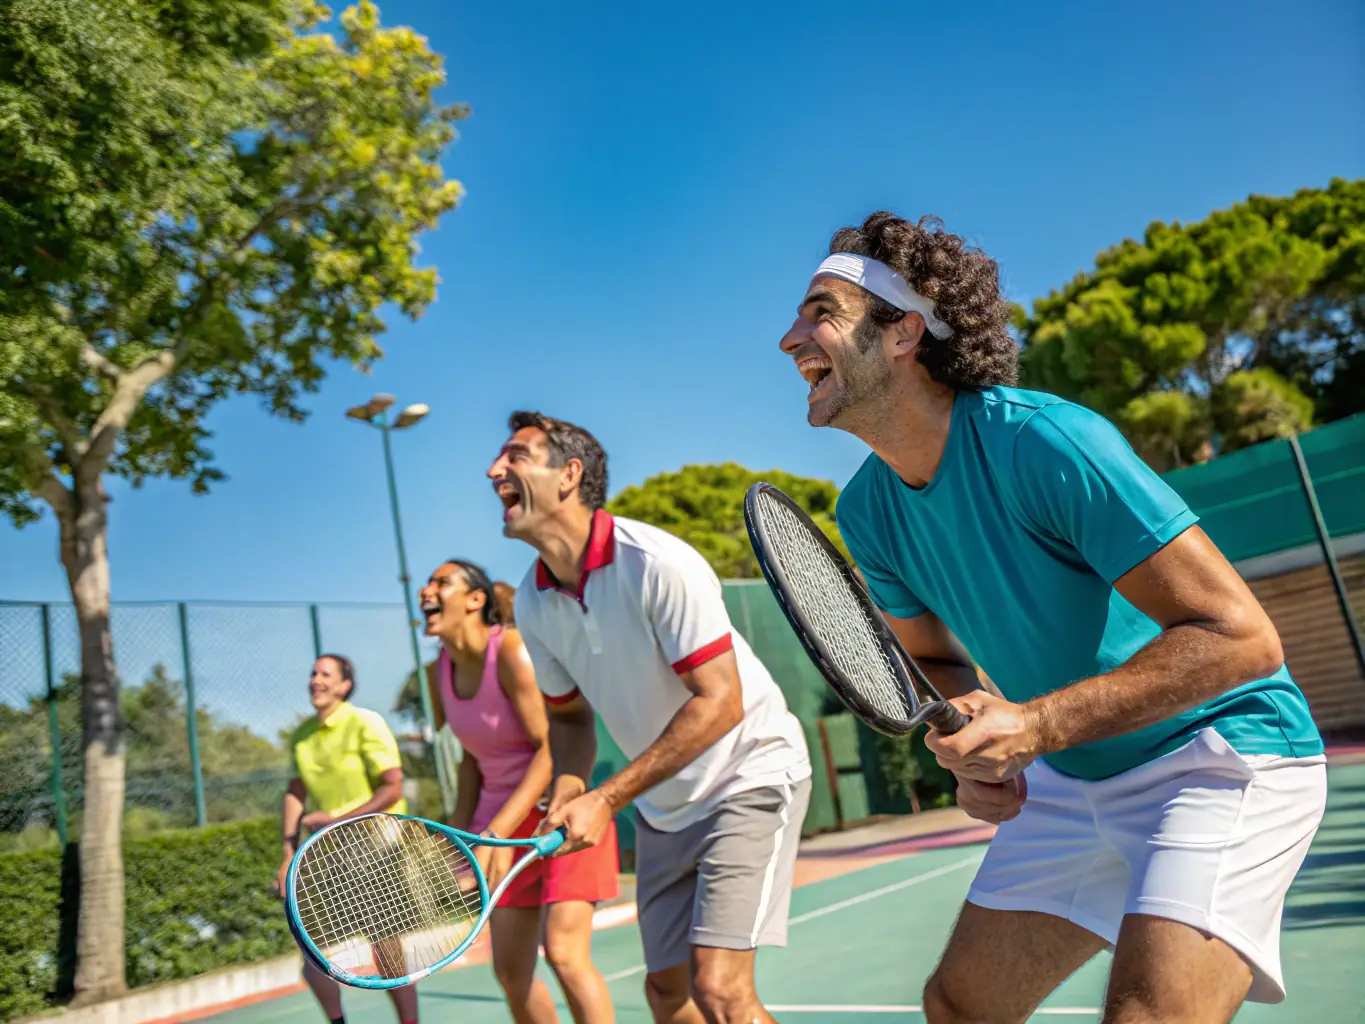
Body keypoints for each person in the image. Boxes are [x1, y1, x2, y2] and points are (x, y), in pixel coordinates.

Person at [778, 211, 1328, 1024]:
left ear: (903, 332)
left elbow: (1240, 637)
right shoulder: (866, 511)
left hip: (1220, 755)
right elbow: (933, 660)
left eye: (820, 311)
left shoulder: (1043, 442)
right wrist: (970, 739)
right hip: (1074, 775)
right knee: (959, 1005)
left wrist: (1033, 725)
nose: (790, 339)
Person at [487, 410, 814, 1024]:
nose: (494, 470)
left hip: (751, 774)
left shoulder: (655, 563)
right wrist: (567, 790)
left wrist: (605, 799)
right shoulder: (533, 600)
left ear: (568, 476)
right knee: (669, 995)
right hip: (666, 810)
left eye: (516, 456)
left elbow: (721, 702)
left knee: (719, 989)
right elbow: (569, 721)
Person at [418, 558, 618, 1024]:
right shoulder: (437, 674)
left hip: (562, 810)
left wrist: (499, 826)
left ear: (476, 599)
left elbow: (552, 746)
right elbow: (471, 759)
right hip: (497, 827)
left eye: (441, 582)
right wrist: (462, 834)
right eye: (428, 583)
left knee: (565, 955)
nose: (427, 591)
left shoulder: (510, 651)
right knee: (510, 972)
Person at [276, 654, 419, 1024]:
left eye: (326, 674)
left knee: (386, 947)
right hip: (325, 848)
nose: (316, 680)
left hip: (377, 841)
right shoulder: (302, 736)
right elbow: (296, 790)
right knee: (310, 953)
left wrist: (337, 820)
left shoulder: (366, 723)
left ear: (345, 686)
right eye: (312, 673)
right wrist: (288, 852)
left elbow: (392, 787)